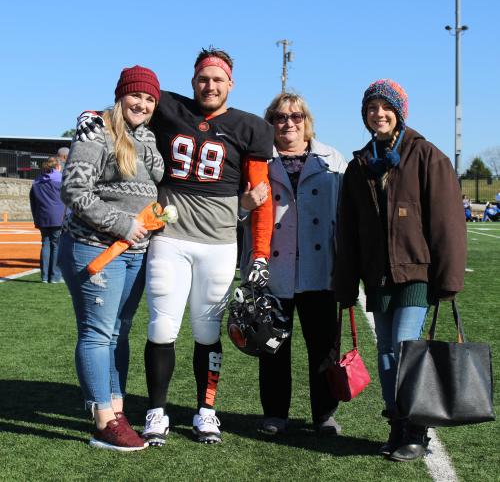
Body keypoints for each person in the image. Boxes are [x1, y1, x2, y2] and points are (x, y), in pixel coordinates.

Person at [76, 48, 274, 445]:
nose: (210, 85)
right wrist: (91, 116)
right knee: (162, 326)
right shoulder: (168, 107)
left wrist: (260, 253)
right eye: (204, 78)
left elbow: (261, 195)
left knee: (206, 331)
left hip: (218, 244)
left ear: (231, 84)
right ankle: (156, 411)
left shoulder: (250, 127)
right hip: (169, 238)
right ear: (193, 81)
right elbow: (128, 100)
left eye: (218, 79)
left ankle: (206, 410)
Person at [333, 79, 466, 462]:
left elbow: (447, 223)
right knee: (387, 353)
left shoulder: (427, 156)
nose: (378, 114)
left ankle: (415, 430)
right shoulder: (359, 165)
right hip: (378, 277)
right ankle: (395, 424)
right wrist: (345, 283)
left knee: (407, 348)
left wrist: (449, 278)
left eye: (385, 107)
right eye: (371, 108)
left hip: (416, 274)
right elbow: (349, 229)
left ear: (400, 111)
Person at [59, 65, 164, 451]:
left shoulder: (147, 136)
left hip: (135, 252)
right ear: (121, 95)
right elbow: (73, 190)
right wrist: (120, 223)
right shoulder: (96, 132)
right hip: (95, 248)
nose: (142, 103)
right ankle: (102, 419)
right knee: (97, 332)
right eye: (136, 95)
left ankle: (117, 410)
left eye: (150, 98)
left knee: (118, 333)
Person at [240, 92, 347, 435]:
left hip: (320, 270)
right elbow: (236, 213)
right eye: (281, 117)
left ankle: (324, 415)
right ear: (269, 123)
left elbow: (346, 215)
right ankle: (274, 413)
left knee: (324, 349)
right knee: (272, 346)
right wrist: (243, 204)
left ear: (307, 121)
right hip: (272, 270)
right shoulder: (256, 161)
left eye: (296, 116)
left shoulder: (332, 159)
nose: (289, 123)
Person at [29, 156, 65, 283]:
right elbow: (68, 199)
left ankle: (44, 276)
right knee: (56, 245)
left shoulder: (37, 181)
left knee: (45, 244)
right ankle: (54, 276)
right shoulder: (61, 179)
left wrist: (36, 218)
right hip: (59, 217)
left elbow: (32, 202)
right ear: (57, 166)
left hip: (42, 217)